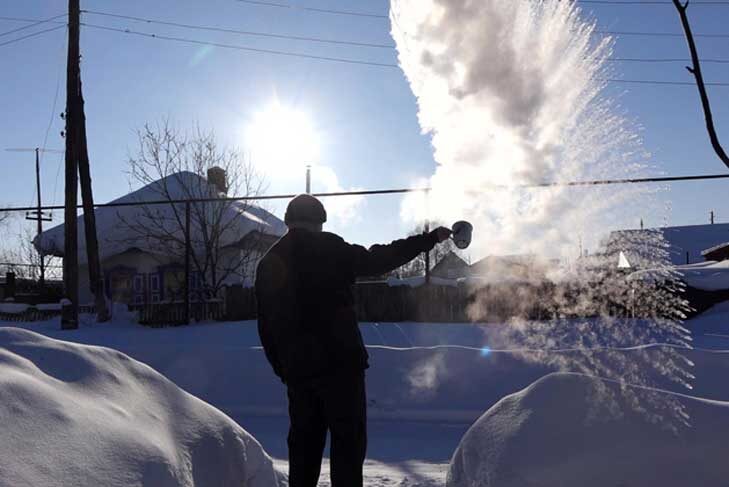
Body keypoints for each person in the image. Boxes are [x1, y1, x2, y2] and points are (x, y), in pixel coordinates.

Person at [255, 194, 452, 487]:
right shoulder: (330, 248)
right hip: (341, 366)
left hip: (299, 371)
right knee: (348, 446)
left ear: (289, 221)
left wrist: (284, 369)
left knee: (303, 448)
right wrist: (429, 239)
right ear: (318, 221)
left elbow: (266, 326)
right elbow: (379, 258)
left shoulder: (269, 261)